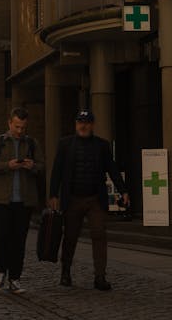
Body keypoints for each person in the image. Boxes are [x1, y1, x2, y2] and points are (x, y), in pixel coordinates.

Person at [48, 109, 130, 291]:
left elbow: (112, 169)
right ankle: (65, 272)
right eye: (79, 122)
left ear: (92, 125)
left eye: (86, 122)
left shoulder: (102, 146)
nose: (82, 125)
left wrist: (123, 190)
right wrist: (53, 194)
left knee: (99, 235)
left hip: (95, 199)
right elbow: (57, 171)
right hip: (73, 198)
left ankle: (100, 276)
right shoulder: (65, 144)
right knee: (69, 237)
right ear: (76, 124)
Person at [0, 107, 44, 294]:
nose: (20, 131)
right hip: (2, 199)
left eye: (23, 128)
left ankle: (15, 278)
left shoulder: (32, 143)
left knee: (19, 241)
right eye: (17, 127)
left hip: (24, 201)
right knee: (2, 238)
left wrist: (32, 166)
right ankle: (0, 272)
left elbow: (42, 166)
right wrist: (6, 166)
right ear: (10, 123)